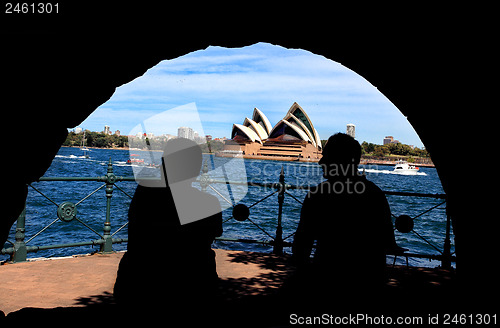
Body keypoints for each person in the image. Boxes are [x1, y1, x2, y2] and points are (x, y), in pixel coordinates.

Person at [114, 138, 223, 314]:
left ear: (164, 165)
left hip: (137, 285)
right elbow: (215, 232)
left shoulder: (144, 193)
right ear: (195, 169)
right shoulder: (209, 203)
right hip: (194, 288)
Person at [291, 133, 400, 304]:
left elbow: (301, 246)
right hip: (369, 286)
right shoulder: (375, 194)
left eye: (326, 157)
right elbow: (388, 243)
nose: (321, 163)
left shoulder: (317, 196)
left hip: (327, 283)